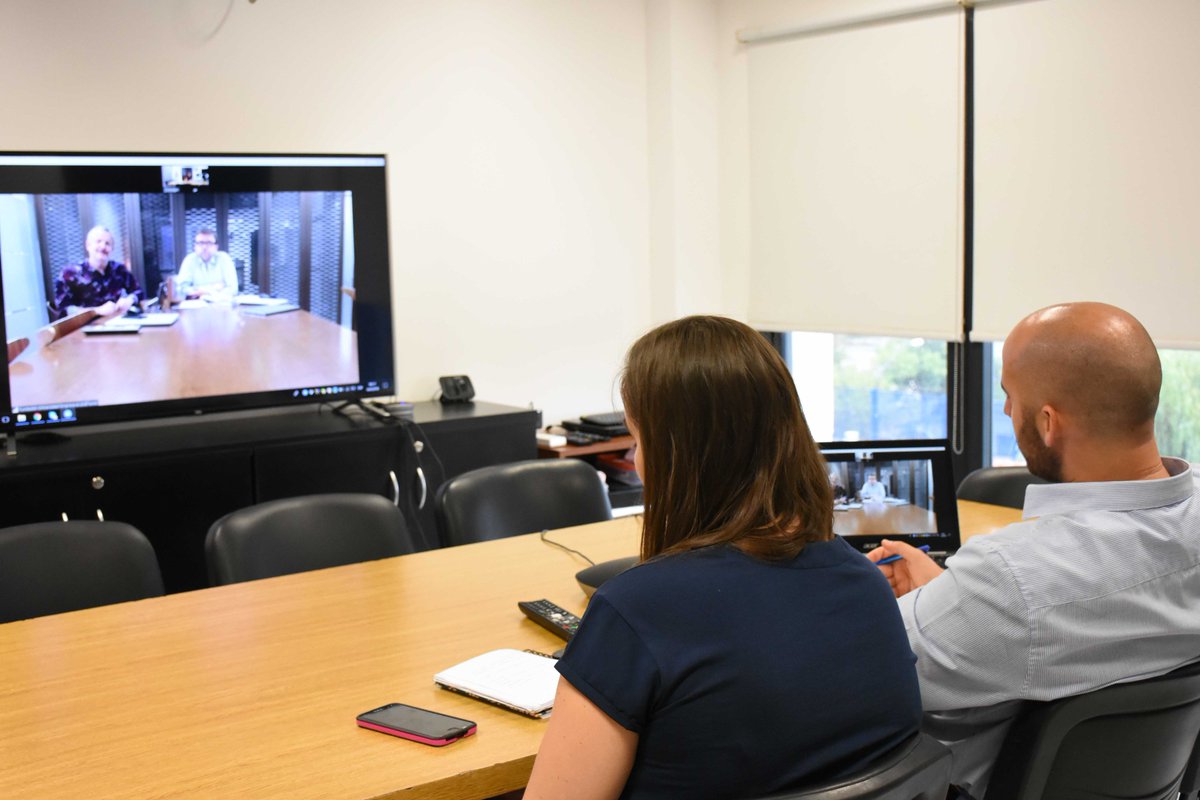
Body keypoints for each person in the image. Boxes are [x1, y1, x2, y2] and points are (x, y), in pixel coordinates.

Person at [525, 315, 921, 800]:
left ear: (681, 456)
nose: (635, 461)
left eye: (639, 440)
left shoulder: (635, 611)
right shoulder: (866, 585)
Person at [867, 301, 1200, 799]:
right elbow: (1061, 621)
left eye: (1008, 395)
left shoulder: (1011, 576)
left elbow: (860, 674)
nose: (1004, 410)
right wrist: (951, 596)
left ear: (1048, 422)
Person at [52, 225, 141, 319]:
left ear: (112, 249)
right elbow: (63, 310)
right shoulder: (70, 273)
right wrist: (96, 311)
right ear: (88, 245)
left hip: (115, 324)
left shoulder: (119, 269)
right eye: (98, 241)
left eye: (108, 243)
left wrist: (129, 300)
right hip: (84, 328)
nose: (103, 247)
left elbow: (138, 292)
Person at [176, 227, 238, 297]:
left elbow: (233, 289)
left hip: (220, 304)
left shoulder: (224, 258)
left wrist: (200, 291)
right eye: (200, 243)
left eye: (209, 243)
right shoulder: (189, 260)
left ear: (216, 246)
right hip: (196, 304)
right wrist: (213, 288)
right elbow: (181, 289)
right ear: (195, 246)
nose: (204, 247)